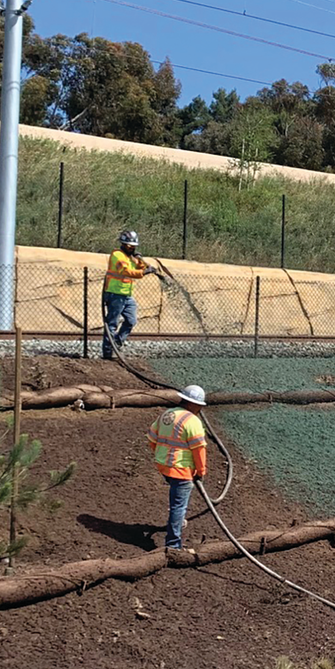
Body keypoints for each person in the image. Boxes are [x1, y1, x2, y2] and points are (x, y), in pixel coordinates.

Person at [148, 386, 209, 552]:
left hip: (164, 466)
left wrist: (162, 456)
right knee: (178, 506)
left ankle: (178, 521)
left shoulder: (167, 415)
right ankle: (173, 545)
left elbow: (152, 438)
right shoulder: (193, 421)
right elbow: (199, 450)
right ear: (194, 404)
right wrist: (201, 471)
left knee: (177, 500)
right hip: (181, 470)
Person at [103, 230, 164, 359]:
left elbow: (139, 268)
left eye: (134, 246)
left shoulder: (131, 258)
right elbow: (126, 271)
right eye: (129, 246)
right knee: (112, 323)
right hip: (115, 294)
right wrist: (145, 272)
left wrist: (141, 261)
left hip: (127, 295)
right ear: (123, 244)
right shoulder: (117, 255)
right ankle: (108, 352)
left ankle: (117, 342)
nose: (132, 248)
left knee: (131, 320)